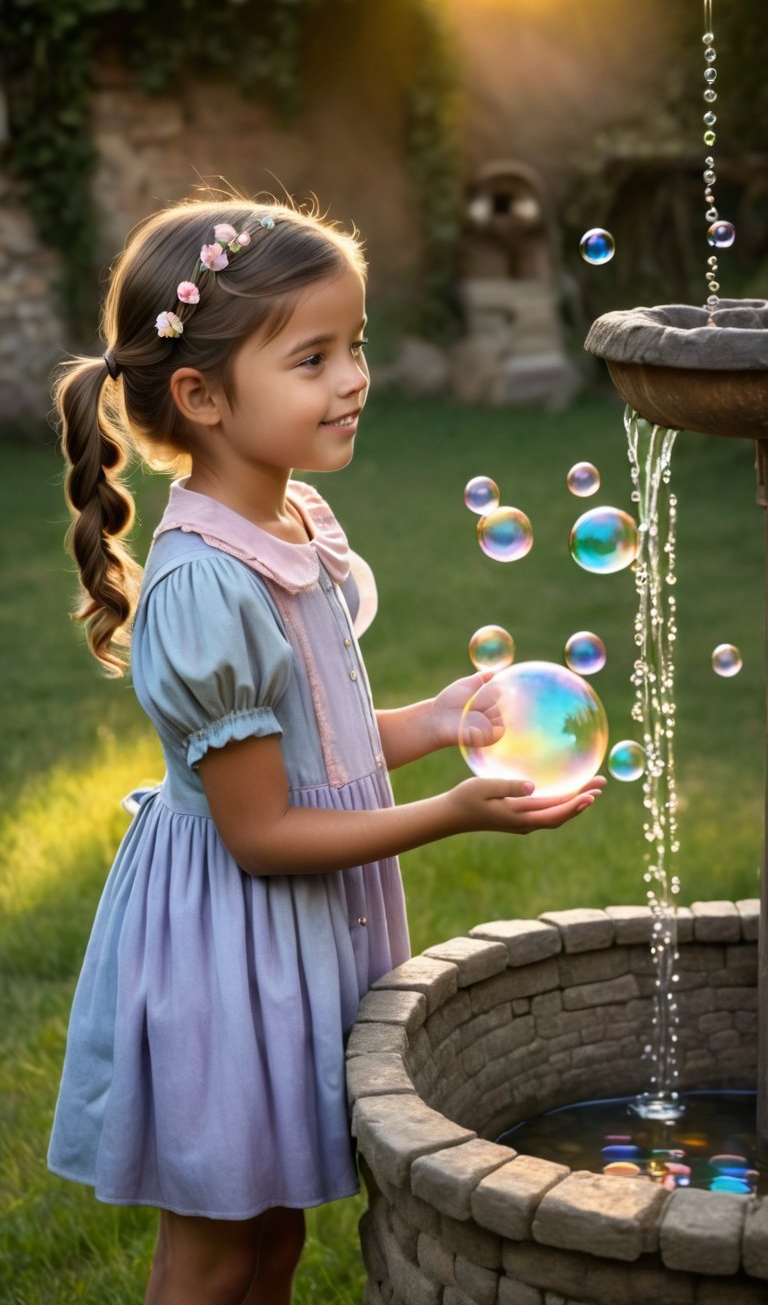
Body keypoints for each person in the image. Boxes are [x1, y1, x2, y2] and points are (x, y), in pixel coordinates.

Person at [48, 198, 604, 1305]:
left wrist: (437, 720)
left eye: (355, 346)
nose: (354, 378)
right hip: (226, 954)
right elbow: (261, 831)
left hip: (286, 945)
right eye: (313, 358)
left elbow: (322, 757)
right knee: (213, 1254)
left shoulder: (291, 522)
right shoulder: (208, 583)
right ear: (202, 398)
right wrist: (453, 810)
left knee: (276, 1241)